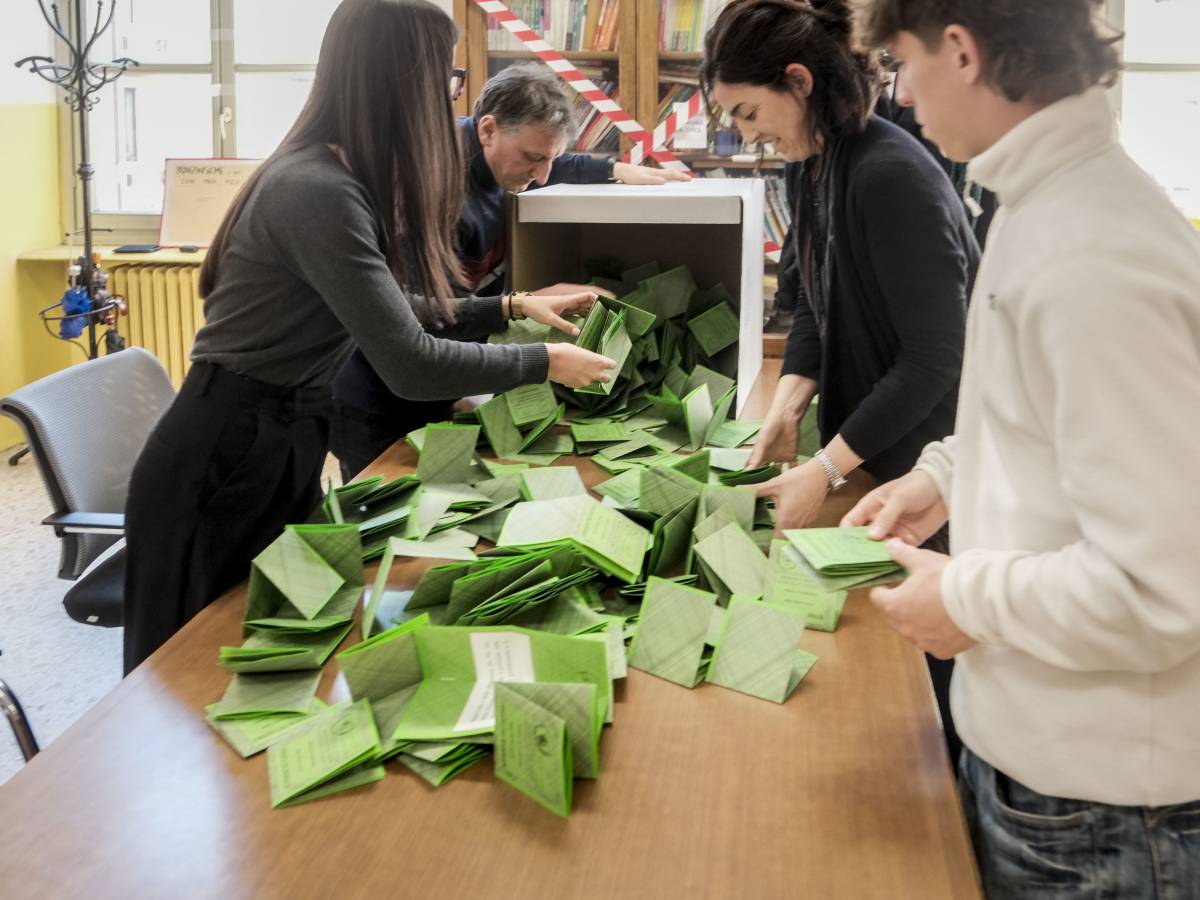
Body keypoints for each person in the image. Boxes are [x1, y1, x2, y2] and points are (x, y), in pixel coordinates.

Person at [121, 0, 617, 672]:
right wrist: (544, 361)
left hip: (280, 434)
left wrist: (510, 307)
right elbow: (410, 364)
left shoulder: (338, 177)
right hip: (225, 451)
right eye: (447, 77)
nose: (453, 97)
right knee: (185, 673)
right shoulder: (316, 188)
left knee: (269, 650)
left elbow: (390, 308)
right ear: (401, 81)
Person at [848, 1, 1200, 896]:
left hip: (1108, 815)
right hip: (1054, 780)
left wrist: (967, 596)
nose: (901, 90)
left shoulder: (1094, 255)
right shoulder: (1044, 202)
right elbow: (1042, 423)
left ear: (961, 52)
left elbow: (1162, 588)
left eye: (902, 61)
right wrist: (943, 481)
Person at [703, 0, 979, 763]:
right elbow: (816, 305)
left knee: (921, 698)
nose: (748, 132)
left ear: (799, 81)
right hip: (876, 465)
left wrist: (824, 470)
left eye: (750, 110)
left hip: (933, 477)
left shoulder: (889, 173)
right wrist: (788, 408)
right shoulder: (818, 166)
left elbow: (934, 360)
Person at [331, 64, 690, 480]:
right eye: (533, 159)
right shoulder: (432, 192)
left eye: (549, 158)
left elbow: (552, 159)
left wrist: (615, 169)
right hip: (379, 402)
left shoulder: (494, 148)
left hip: (441, 379)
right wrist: (530, 328)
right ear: (488, 130)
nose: (542, 176)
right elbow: (422, 325)